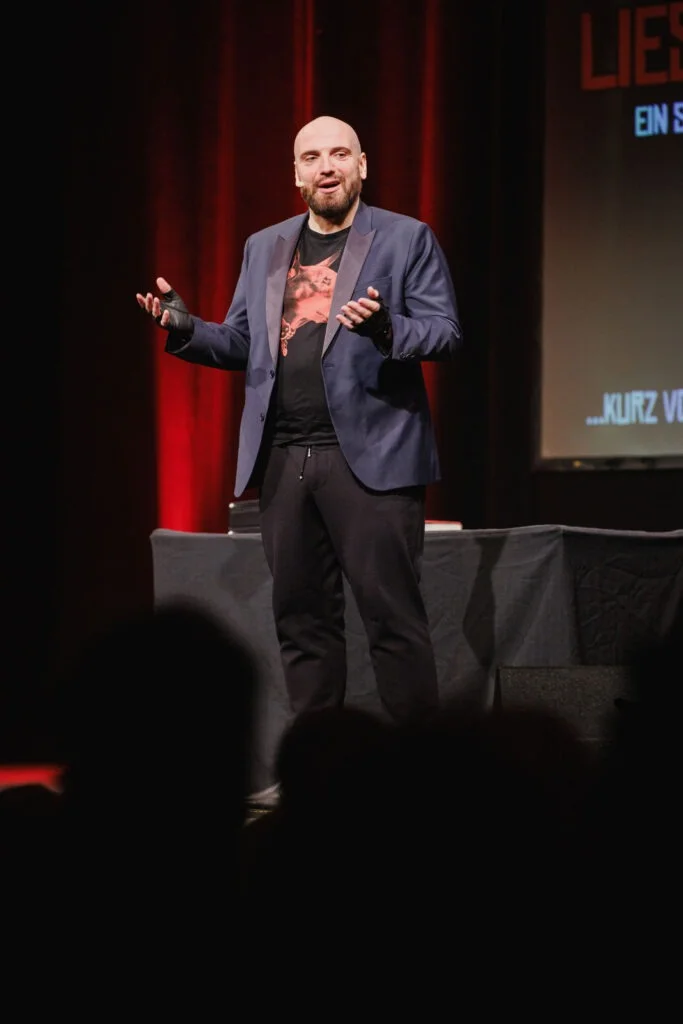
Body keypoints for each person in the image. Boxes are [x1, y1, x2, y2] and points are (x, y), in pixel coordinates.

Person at [136, 115, 462, 737]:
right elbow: (243, 341)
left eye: (339, 154)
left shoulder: (405, 238)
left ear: (361, 165)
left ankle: (423, 767)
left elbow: (444, 332)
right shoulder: (265, 245)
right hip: (285, 459)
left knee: (392, 622)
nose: (326, 167)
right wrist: (187, 329)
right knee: (302, 625)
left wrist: (386, 327)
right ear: (296, 174)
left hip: (371, 459)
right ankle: (318, 768)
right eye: (312, 158)